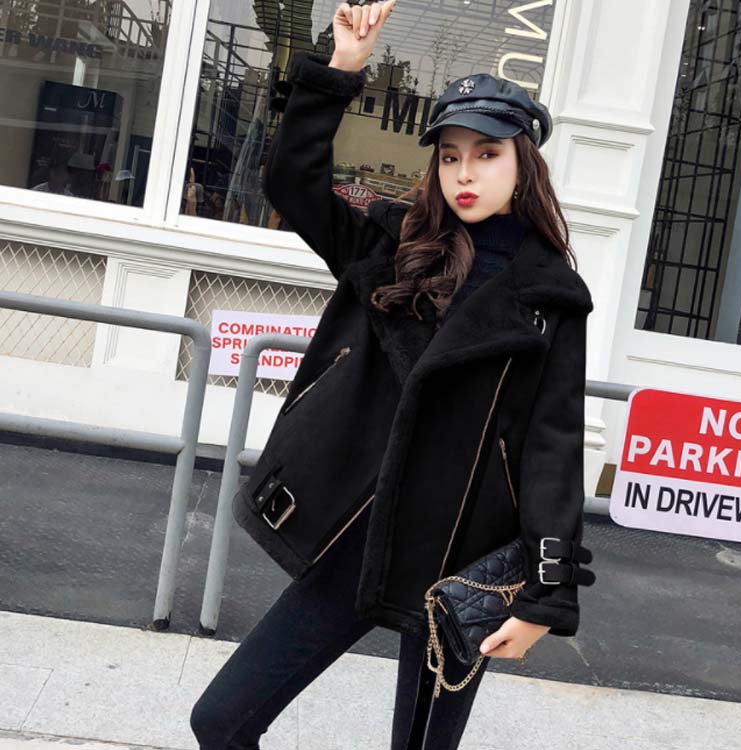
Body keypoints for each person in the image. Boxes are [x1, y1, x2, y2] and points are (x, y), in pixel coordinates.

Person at [191, 1, 596, 748]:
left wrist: (546, 596)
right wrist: (341, 68)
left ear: (523, 163)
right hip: (362, 537)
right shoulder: (390, 246)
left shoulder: (551, 300)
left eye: (487, 154)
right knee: (219, 720)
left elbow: (553, 446)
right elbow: (293, 181)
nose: (464, 173)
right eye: (450, 156)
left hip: (461, 565)